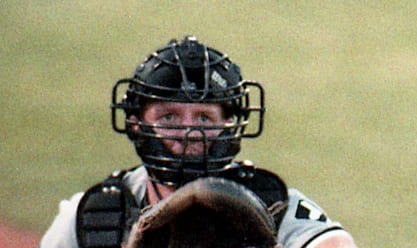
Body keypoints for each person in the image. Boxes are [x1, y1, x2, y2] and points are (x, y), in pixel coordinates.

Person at [39, 36, 358, 248]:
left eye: (204, 118)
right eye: (169, 118)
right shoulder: (95, 217)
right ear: (137, 124)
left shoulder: (270, 203)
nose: (188, 133)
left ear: (229, 125)